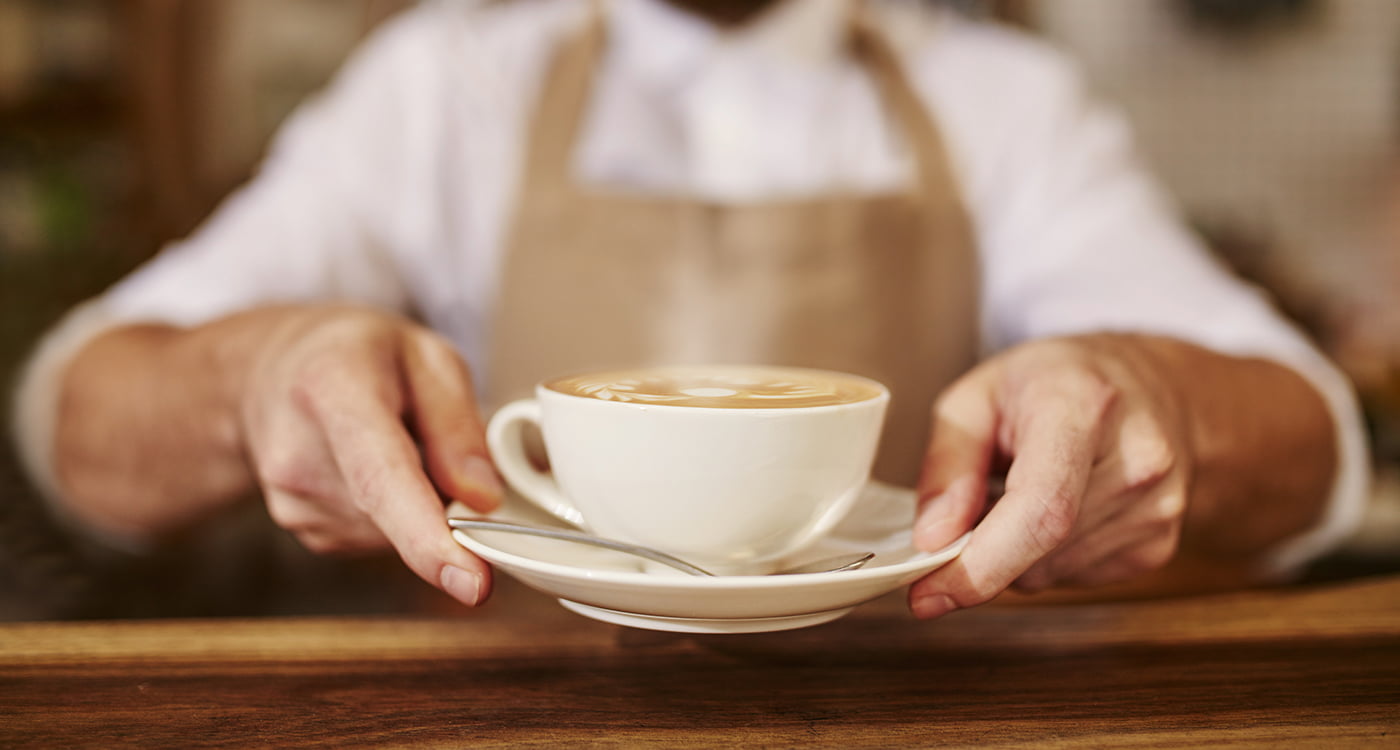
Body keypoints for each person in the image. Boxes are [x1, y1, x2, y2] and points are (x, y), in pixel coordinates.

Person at [10, 0, 1369, 620]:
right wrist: (260, 371)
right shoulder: (447, 77)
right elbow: (75, 417)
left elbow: (1312, 434)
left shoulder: (999, 94)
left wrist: (1162, 403)